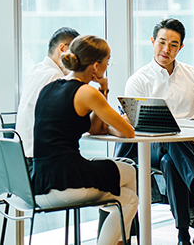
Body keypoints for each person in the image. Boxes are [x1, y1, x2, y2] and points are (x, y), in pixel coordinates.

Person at [122, 18, 194, 245]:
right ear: (152, 41)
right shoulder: (138, 81)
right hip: (151, 148)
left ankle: (183, 235)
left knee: (169, 161)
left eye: (173, 44)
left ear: (181, 47)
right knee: (169, 141)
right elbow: (138, 128)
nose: (166, 49)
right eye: (162, 42)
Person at [32, 35, 137, 245]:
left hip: (39, 182)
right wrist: (102, 92)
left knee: (126, 198)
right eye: (108, 61)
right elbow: (128, 132)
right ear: (96, 66)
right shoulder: (86, 92)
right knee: (130, 173)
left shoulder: (50, 88)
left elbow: (95, 128)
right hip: (67, 181)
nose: (108, 66)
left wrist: (103, 92)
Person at [16, 27, 79, 159]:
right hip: (41, 160)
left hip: (23, 158)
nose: (78, 61)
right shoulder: (54, 77)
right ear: (62, 49)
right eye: (76, 54)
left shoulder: (37, 70)